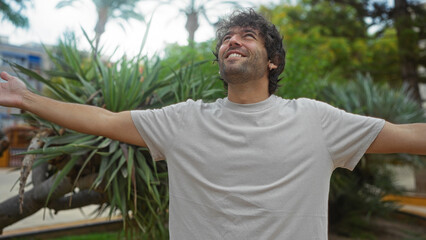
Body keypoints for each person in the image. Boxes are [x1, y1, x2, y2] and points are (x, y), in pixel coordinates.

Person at [0, 8, 425, 239]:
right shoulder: (183, 120)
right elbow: (104, 119)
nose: (232, 41)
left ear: (272, 60)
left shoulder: (316, 119)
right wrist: (26, 98)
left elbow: (407, 135)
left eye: (247, 36)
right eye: (227, 37)